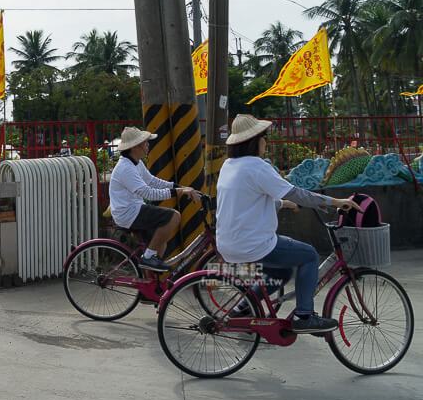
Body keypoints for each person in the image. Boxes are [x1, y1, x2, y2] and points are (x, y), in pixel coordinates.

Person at [216, 114, 362, 334]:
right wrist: (335, 202)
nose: (267, 141)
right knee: (309, 255)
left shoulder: (229, 165)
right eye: (264, 137)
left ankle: (242, 309)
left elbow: (249, 201)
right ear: (255, 140)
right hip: (253, 244)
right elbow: (297, 193)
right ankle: (305, 316)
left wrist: (283, 204)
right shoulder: (256, 166)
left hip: (228, 243)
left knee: (281, 273)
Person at [108, 126, 202, 272]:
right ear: (135, 147)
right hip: (129, 213)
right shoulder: (126, 168)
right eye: (145, 142)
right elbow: (149, 193)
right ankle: (148, 257)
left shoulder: (136, 163)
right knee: (174, 216)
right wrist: (178, 192)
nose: (148, 145)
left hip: (135, 209)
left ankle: (150, 284)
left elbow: (152, 181)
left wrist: (181, 187)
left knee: (161, 244)